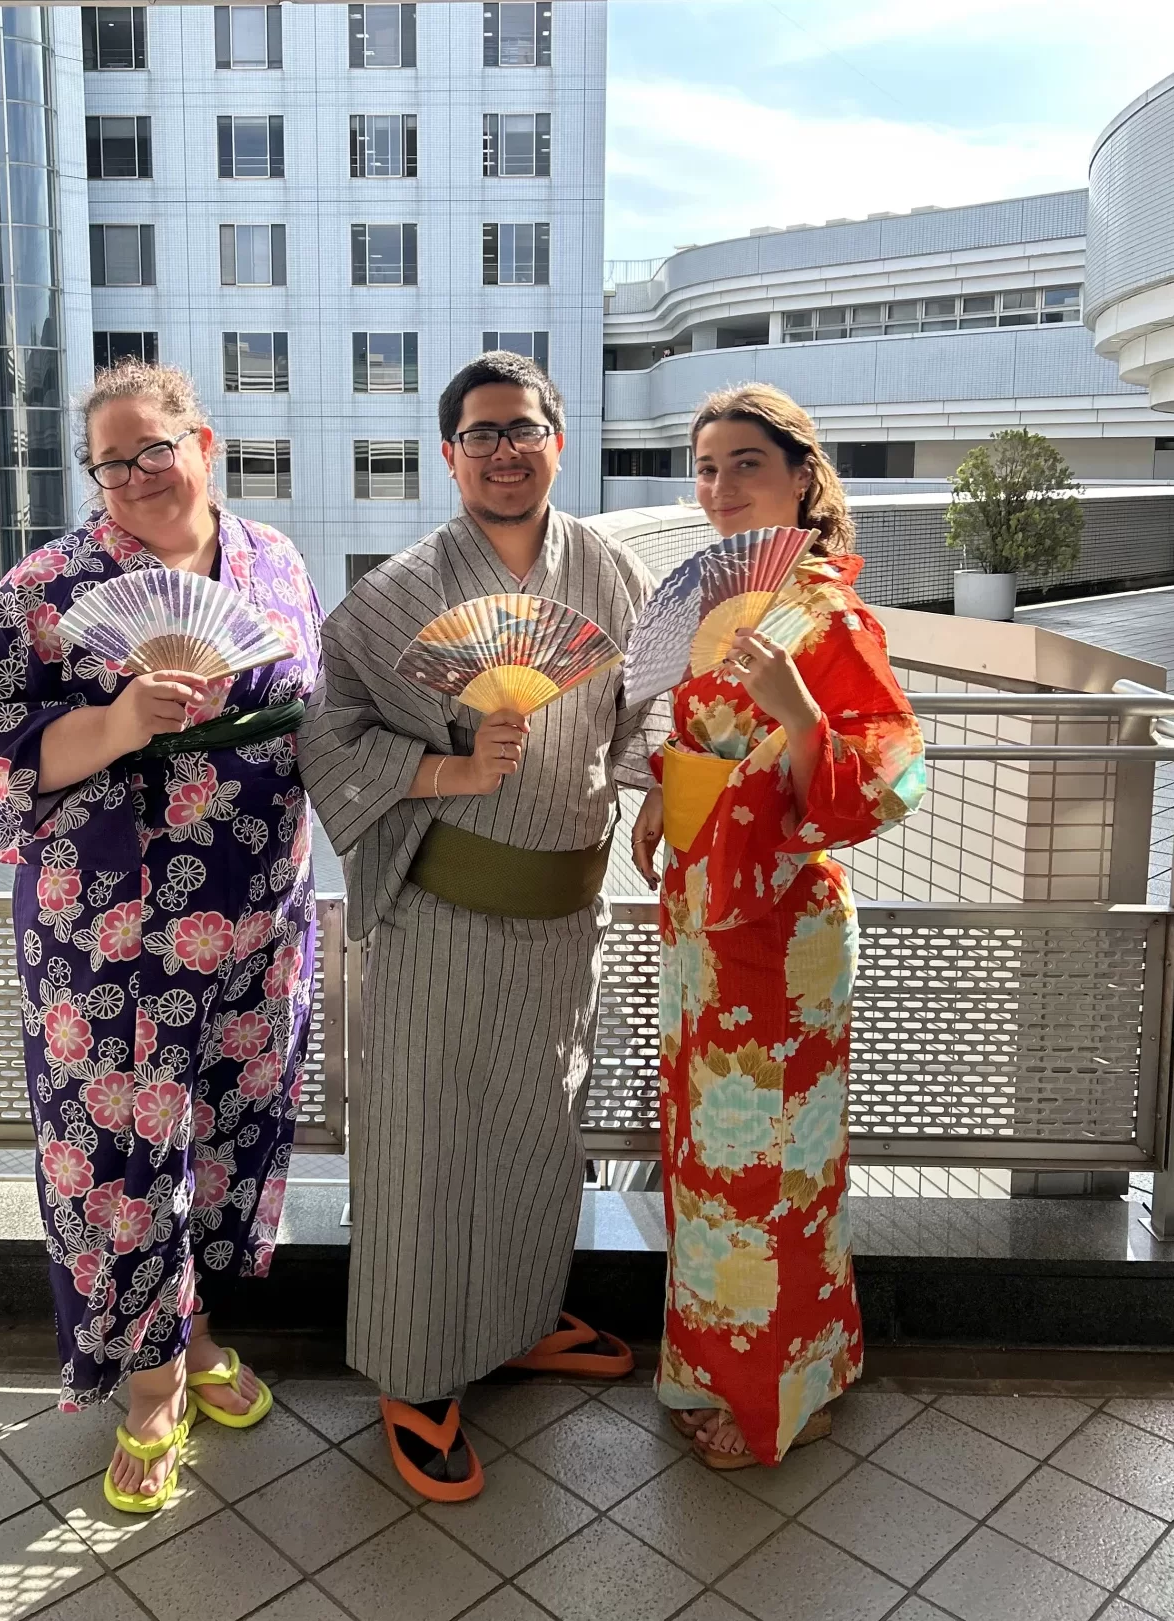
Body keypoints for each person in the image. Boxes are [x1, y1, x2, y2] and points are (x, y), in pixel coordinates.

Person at [0, 360, 321, 1513]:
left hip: (257, 914)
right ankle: (150, 1380)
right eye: (112, 462)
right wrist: (114, 721)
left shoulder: (278, 562)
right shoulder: (49, 585)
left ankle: (195, 1333)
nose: (137, 477)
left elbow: (317, 708)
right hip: (110, 936)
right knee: (117, 1154)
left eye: (155, 449)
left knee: (223, 1132)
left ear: (202, 440)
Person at [298, 352, 667, 1501]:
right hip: (442, 915)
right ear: (447, 454)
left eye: (524, 428)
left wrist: (656, 782)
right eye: (480, 434)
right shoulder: (396, 592)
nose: (504, 450)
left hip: (567, 914)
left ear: (559, 440)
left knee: (536, 1136)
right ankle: (415, 1374)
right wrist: (438, 771)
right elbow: (322, 734)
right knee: (422, 1148)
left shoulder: (608, 569)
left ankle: (513, 1318)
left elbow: (645, 704)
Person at [630, 382, 926, 1471]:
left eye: (745, 463)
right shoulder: (722, 604)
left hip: (786, 933)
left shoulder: (827, 616)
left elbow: (886, 780)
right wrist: (669, 787)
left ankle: (773, 1398)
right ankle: (739, 1361)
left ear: (801, 475)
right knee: (711, 1164)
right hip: (706, 923)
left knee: (776, 1167)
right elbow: (697, 732)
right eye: (705, 467)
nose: (718, 487)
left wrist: (802, 712)